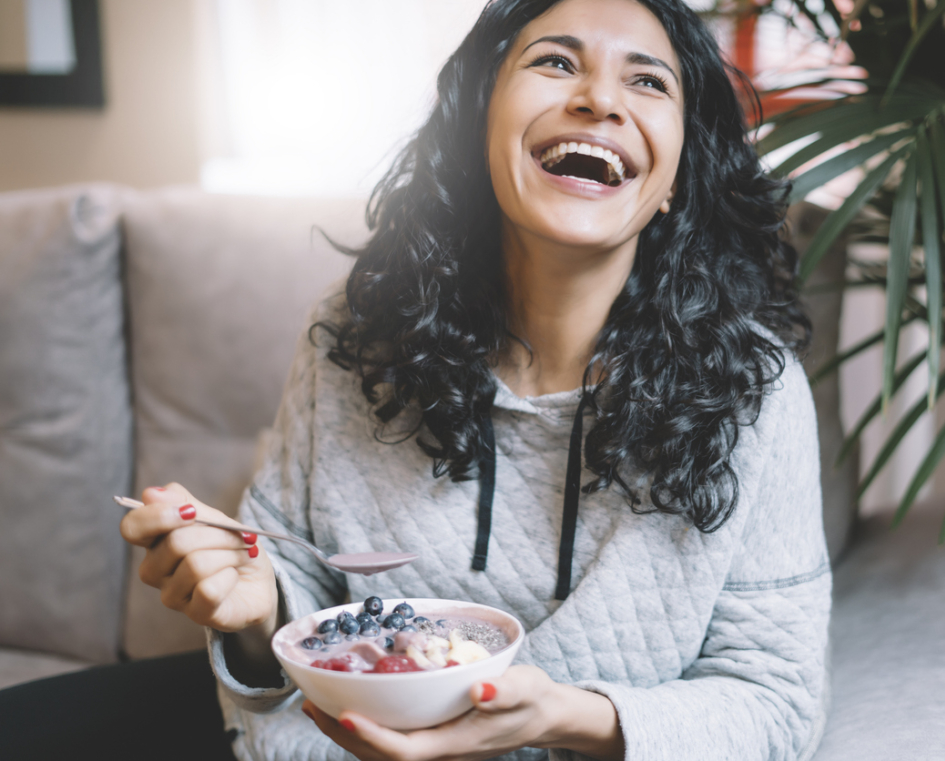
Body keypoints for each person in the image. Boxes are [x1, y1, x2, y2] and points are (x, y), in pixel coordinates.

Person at [116, 0, 831, 759]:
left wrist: (564, 715)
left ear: (677, 179)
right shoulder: (354, 339)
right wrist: (255, 616)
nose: (600, 98)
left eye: (648, 82)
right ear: (476, 127)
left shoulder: (757, 395)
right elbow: (291, 592)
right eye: (555, 62)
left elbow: (777, 700)